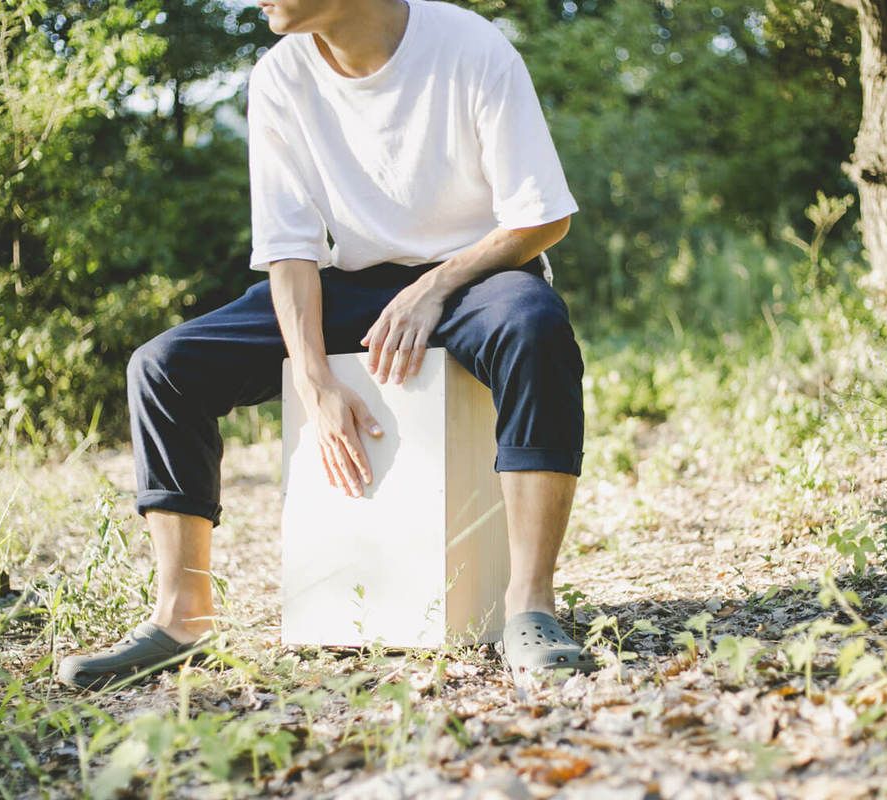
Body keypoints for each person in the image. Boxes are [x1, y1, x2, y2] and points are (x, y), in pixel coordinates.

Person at [58, 0, 595, 689]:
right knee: (165, 368)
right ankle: (181, 617)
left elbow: (542, 217)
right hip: (353, 286)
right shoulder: (279, 77)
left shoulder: (471, 46)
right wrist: (313, 381)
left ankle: (530, 607)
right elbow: (290, 251)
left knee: (535, 326)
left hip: (480, 274)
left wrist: (433, 287)